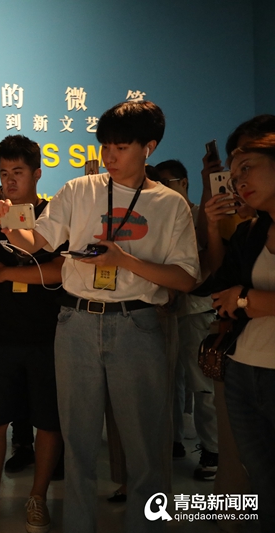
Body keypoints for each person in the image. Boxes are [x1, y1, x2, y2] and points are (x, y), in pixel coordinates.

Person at [0, 101, 200, 533]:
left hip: (138, 323)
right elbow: (37, 241)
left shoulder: (170, 204)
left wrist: (124, 260)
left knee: (144, 446)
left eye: (120, 148)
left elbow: (184, 278)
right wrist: (9, 226)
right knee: (78, 443)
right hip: (76, 322)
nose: (109, 157)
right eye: (105, 146)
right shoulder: (78, 190)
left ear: (148, 147)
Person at [0, 135, 65, 533]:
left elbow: (61, 271)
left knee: (48, 422)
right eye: (4, 173)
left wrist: (7, 274)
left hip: (47, 334)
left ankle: (38, 498)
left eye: (18, 172)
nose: (10, 180)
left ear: (37, 173)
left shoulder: (54, 215)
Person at [201, 132, 275, 532]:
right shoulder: (251, 232)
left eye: (247, 168)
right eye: (232, 175)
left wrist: (247, 299)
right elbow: (219, 286)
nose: (239, 181)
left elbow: (238, 295)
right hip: (243, 367)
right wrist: (213, 227)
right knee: (262, 482)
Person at [155, 159, 219, 480]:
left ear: (184, 183)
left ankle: (213, 450)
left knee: (202, 385)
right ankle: (174, 439)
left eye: (167, 183)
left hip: (196, 310)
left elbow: (207, 256)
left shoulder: (199, 215)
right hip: (165, 312)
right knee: (169, 382)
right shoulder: (160, 218)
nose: (162, 189)